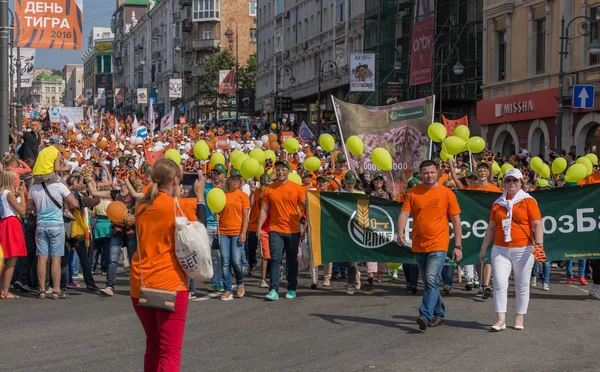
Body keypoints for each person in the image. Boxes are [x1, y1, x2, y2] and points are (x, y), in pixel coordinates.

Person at [130, 159, 206, 372]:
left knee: (153, 345)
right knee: (170, 351)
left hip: (141, 282)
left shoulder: (141, 205)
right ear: (175, 181)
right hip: (169, 284)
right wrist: (199, 197)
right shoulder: (177, 205)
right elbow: (201, 232)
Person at [397, 160, 463, 331]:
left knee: (432, 279)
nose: (429, 175)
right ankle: (440, 314)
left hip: (439, 243)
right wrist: (401, 231)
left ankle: (425, 315)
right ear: (420, 174)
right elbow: (404, 213)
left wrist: (458, 245)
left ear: (438, 173)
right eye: (426, 172)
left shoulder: (447, 193)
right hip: (419, 243)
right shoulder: (413, 193)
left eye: (432, 172)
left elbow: (456, 219)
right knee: (429, 282)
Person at [478, 168, 543, 331]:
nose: (512, 183)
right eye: (508, 180)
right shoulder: (498, 203)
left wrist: (539, 244)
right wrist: (484, 247)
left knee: (522, 285)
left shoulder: (529, 201)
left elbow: (537, 224)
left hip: (524, 249)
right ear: (504, 183)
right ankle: (500, 319)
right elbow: (491, 228)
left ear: (521, 182)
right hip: (500, 249)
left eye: (515, 180)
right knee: (499, 283)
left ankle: (519, 317)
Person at [257, 160, 306, 301]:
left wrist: (309, 224)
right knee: (275, 259)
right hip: (275, 230)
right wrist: (259, 228)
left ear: (289, 172)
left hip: (293, 230)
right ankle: (273, 289)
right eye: (278, 169)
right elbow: (264, 210)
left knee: (291, 260)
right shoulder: (269, 189)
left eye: (283, 169)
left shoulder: (297, 188)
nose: (280, 171)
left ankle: (291, 288)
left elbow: (305, 207)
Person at [27, 170, 79, 299]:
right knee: (56, 259)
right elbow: (75, 203)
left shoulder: (34, 188)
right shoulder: (59, 186)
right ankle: (56, 289)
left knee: (41, 258)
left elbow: (28, 207)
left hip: (41, 224)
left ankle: (42, 290)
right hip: (56, 224)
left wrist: (38, 207)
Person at [217, 168, 250, 301]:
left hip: (237, 232)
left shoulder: (243, 196)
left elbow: (245, 216)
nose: (236, 181)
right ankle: (227, 289)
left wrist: (243, 233)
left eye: (238, 179)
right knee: (225, 262)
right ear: (229, 180)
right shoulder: (222, 194)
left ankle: (240, 283)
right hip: (223, 232)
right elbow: (218, 211)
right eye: (234, 179)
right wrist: (216, 214)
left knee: (236, 261)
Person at [0, 170, 27, 299]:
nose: (17, 180)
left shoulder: (2, 193)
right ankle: (5, 291)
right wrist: (22, 196)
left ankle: (2, 289)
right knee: (11, 259)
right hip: (11, 223)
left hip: (4, 223)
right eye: (16, 178)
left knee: (5, 259)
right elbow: (22, 210)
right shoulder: (9, 193)